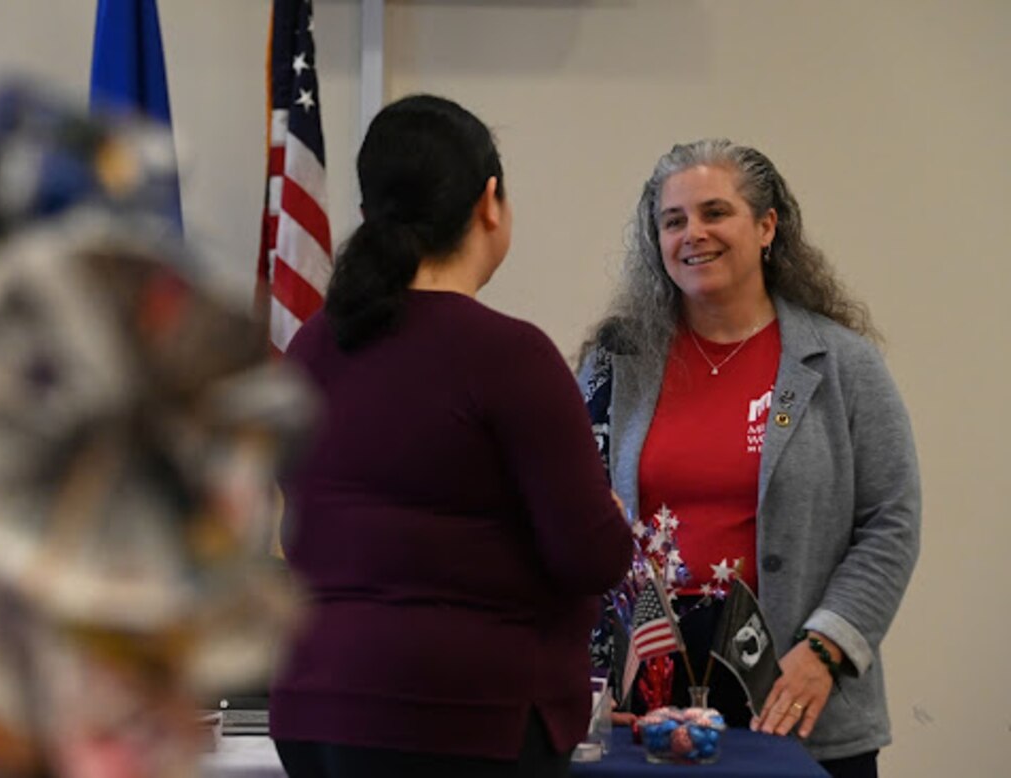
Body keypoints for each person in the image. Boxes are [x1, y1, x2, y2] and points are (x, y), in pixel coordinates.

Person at [269, 94, 633, 778]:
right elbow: (590, 555)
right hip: (465, 716)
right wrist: (611, 522)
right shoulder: (509, 355)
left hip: (314, 706)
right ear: (489, 202)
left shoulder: (313, 347)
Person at [577, 138, 920, 778]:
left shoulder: (842, 364)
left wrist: (827, 648)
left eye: (714, 212)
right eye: (672, 220)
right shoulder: (613, 365)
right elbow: (572, 516)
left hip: (798, 693)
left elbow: (891, 522)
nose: (692, 234)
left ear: (766, 227)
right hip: (644, 703)